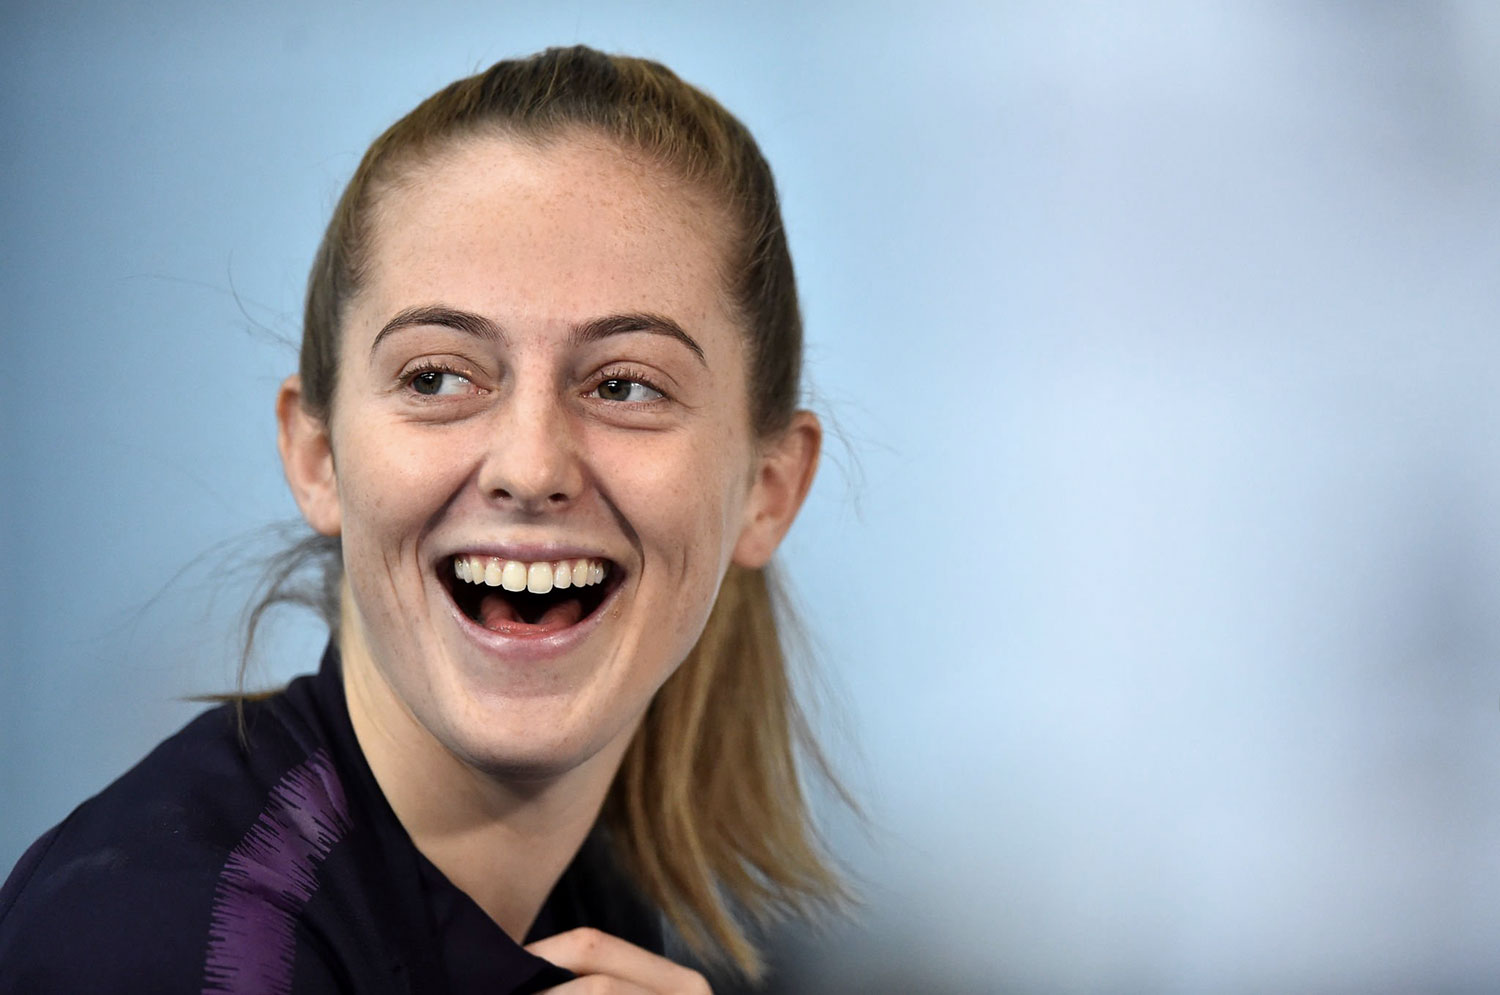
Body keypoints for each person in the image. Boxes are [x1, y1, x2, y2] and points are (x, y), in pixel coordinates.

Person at [0, 45, 843, 993]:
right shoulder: (164, 939)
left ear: (771, 488)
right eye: (436, 376)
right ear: (316, 453)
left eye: (624, 385)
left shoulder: (598, 906)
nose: (530, 467)